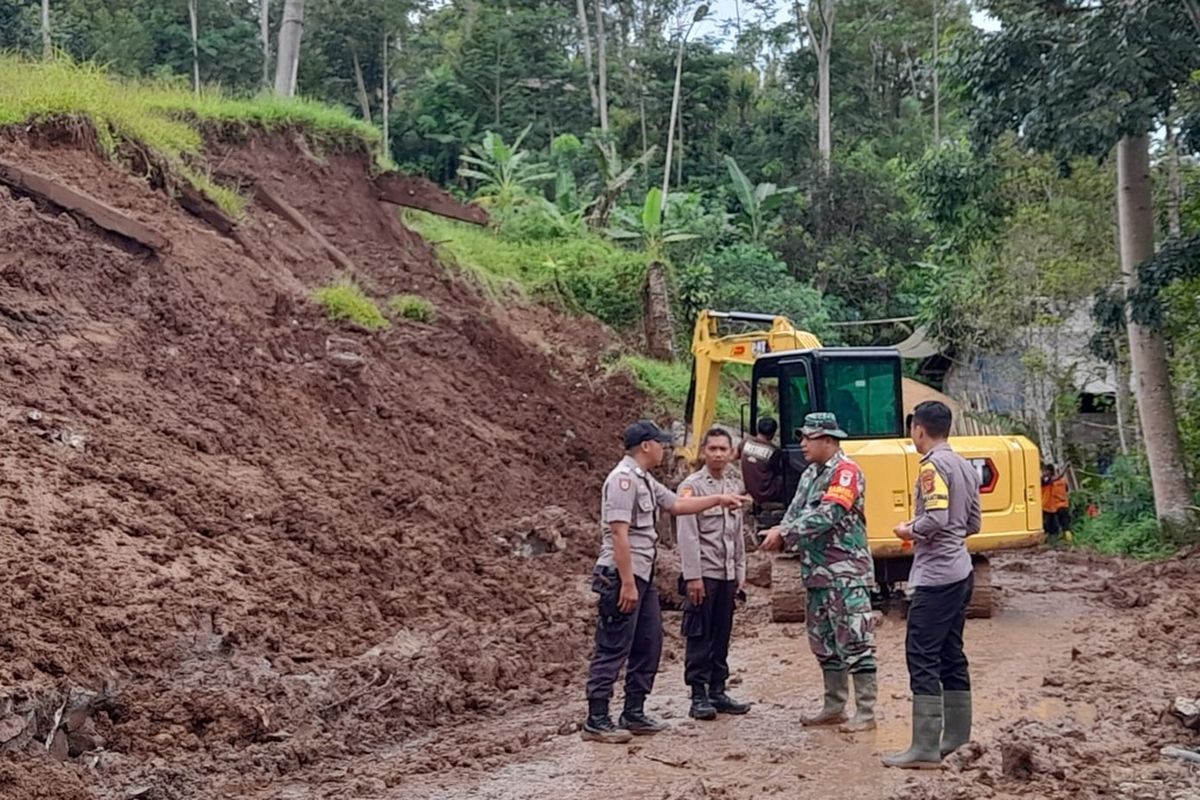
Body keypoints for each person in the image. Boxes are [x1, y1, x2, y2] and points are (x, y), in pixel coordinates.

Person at [583, 420, 751, 744]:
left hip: (642, 574)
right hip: (622, 575)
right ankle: (597, 718)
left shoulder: (645, 480)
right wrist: (628, 584)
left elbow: (677, 505)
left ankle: (634, 711)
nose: (665, 448)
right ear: (646, 446)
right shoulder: (622, 480)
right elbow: (619, 534)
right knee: (614, 646)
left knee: (649, 643)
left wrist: (718, 500)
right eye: (660, 443)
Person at [759, 412, 877, 734]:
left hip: (846, 574)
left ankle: (866, 712)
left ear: (828, 439)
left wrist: (785, 535)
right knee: (824, 641)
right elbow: (794, 512)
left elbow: (830, 513)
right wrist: (780, 529)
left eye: (807, 438)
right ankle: (834, 705)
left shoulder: (846, 472)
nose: (802, 444)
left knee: (855, 639)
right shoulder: (810, 474)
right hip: (817, 574)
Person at [884, 400, 982, 769]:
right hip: (961, 570)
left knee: (921, 654)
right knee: (951, 652)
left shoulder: (932, 466)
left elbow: (936, 516)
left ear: (918, 429)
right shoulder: (964, 465)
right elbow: (973, 524)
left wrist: (909, 529)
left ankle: (924, 747)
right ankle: (957, 738)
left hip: (936, 575)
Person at [677, 428, 752, 721]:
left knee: (722, 633)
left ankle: (718, 690)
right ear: (704, 452)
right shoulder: (691, 488)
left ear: (732, 452)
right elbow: (687, 535)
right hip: (704, 574)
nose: (719, 454)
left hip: (727, 575)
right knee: (700, 634)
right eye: (713, 449)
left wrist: (740, 572)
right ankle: (698, 694)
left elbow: (737, 536)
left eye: (724, 449)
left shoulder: (733, 486)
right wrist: (692, 576)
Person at [739, 416, 785, 510]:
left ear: (757, 428)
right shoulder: (774, 451)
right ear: (773, 433)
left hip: (750, 490)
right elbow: (778, 471)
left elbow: (734, 456)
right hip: (766, 494)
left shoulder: (745, 442)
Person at [1041, 463, 1071, 544]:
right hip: (1062, 505)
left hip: (1049, 506)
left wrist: (1065, 468)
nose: (1043, 473)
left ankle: (1050, 542)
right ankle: (1068, 541)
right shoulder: (1063, 481)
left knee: (1049, 526)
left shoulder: (1046, 480)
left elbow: (1058, 478)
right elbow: (1067, 489)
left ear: (1049, 471)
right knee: (1065, 526)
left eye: (1044, 471)